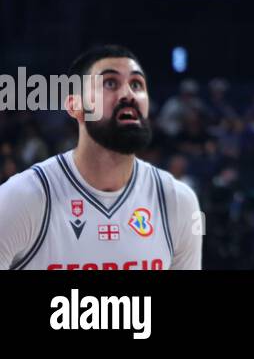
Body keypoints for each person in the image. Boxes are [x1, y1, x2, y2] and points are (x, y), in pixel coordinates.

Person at [0, 46, 202, 270]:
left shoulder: (177, 200)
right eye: (110, 83)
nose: (128, 95)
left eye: (136, 84)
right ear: (75, 105)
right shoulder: (22, 198)